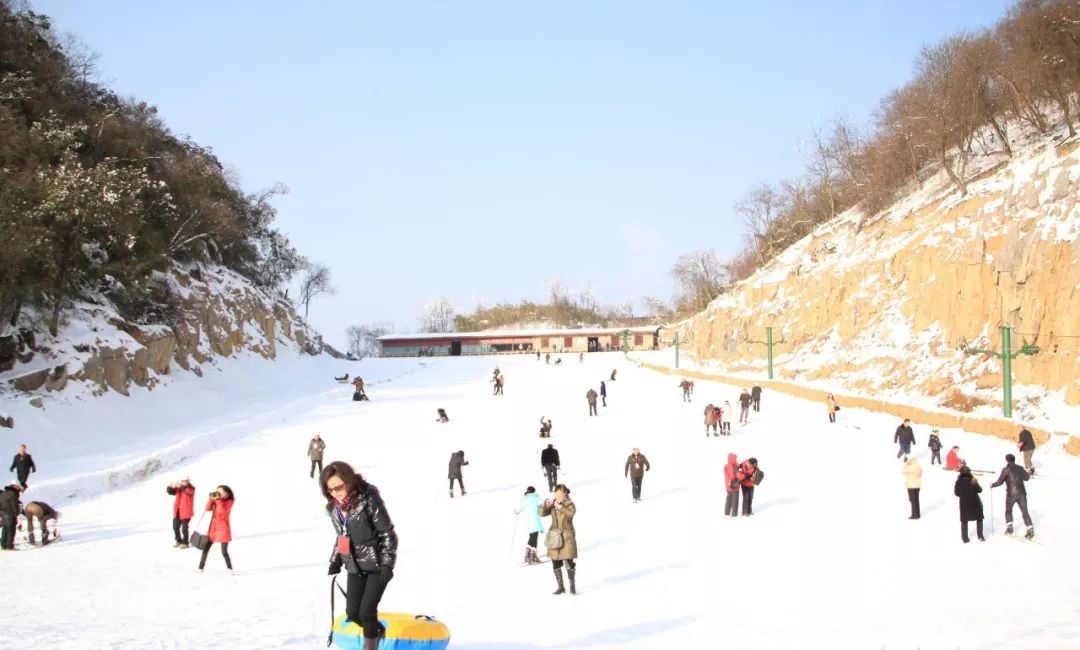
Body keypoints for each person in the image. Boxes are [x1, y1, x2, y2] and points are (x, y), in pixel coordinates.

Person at [323, 461, 398, 649]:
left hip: (376, 565)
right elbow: (342, 537)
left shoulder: (368, 499)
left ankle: (370, 645)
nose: (335, 492)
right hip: (354, 566)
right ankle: (376, 632)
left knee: (367, 613)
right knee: (353, 614)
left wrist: (388, 564)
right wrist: (336, 560)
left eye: (338, 486)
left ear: (348, 481)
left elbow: (387, 534)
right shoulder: (334, 508)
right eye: (330, 489)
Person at [541, 484, 577, 595]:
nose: (557, 495)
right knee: (555, 562)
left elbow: (570, 514)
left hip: (566, 537)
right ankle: (560, 587)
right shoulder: (554, 503)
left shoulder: (569, 504)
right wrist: (546, 505)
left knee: (568, 562)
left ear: (565, 493)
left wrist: (561, 507)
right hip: (555, 537)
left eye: (560, 493)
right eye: (556, 493)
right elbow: (542, 514)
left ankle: (572, 586)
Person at [990, 454, 1034, 538]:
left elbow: (1000, 482)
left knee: (1008, 511)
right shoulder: (1020, 468)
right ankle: (1030, 529)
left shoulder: (1006, 470)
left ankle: (1010, 528)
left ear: (1007, 460)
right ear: (1014, 460)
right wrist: (1029, 473)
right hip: (1022, 494)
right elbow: (1026, 478)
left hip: (1011, 495)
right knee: (1025, 512)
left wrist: (992, 485)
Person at [197, 485, 234, 572]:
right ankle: (200, 568)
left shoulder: (229, 501)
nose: (218, 493)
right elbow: (207, 509)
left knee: (224, 551)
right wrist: (211, 499)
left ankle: (229, 568)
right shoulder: (217, 500)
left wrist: (218, 500)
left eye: (220, 492)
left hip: (223, 529)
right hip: (213, 528)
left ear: (226, 493)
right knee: (206, 549)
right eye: (217, 491)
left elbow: (222, 512)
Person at [954, 466, 985, 543]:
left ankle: (965, 539)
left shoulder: (958, 482)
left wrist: (963, 494)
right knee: (979, 518)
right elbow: (980, 490)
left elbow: (956, 493)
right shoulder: (973, 480)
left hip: (964, 504)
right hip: (975, 503)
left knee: (964, 521)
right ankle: (980, 536)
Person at [514, 487, 544, 565]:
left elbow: (517, 510)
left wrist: (516, 511)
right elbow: (542, 504)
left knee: (532, 536)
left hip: (528, 522)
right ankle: (532, 556)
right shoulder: (536, 497)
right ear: (534, 491)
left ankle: (528, 555)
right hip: (535, 520)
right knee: (534, 537)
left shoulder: (524, 499)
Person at [166, 477, 196, 548]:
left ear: (188, 481)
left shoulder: (191, 488)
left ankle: (185, 542)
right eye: (182, 481)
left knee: (184, 528)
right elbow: (171, 492)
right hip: (177, 511)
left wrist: (181, 486)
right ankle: (178, 541)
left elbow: (189, 492)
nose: (183, 482)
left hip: (186, 512)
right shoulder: (179, 488)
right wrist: (170, 487)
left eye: (185, 481)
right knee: (175, 527)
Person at [0, 482, 23, 550]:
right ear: (14, 486)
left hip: (3, 513)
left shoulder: (4, 493)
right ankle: (10, 546)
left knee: (5, 529)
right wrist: (16, 513)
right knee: (11, 530)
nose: (18, 488)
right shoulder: (13, 494)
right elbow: (14, 504)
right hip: (10, 513)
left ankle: (3, 545)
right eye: (18, 487)